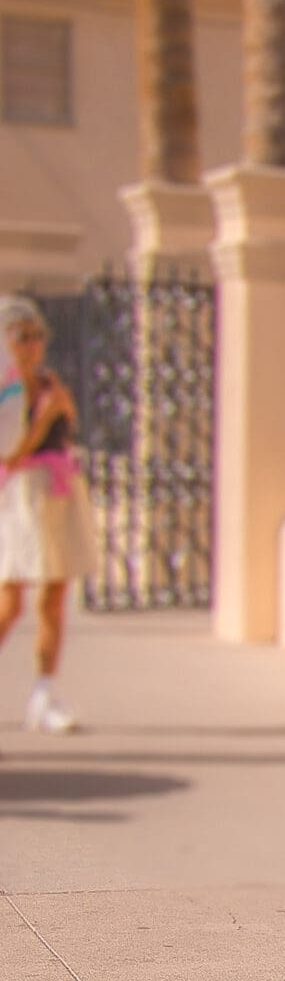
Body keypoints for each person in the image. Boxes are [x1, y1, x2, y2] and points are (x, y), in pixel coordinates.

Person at [0, 294, 95, 734]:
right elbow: (10, 453)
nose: (32, 344)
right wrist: (44, 416)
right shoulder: (7, 389)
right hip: (20, 496)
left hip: (57, 493)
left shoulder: (49, 382)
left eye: (37, 335)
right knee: (9, 600)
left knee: (54, 598)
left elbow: (67, 427)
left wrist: (62, 410)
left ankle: (43, 694)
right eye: (22, 336)